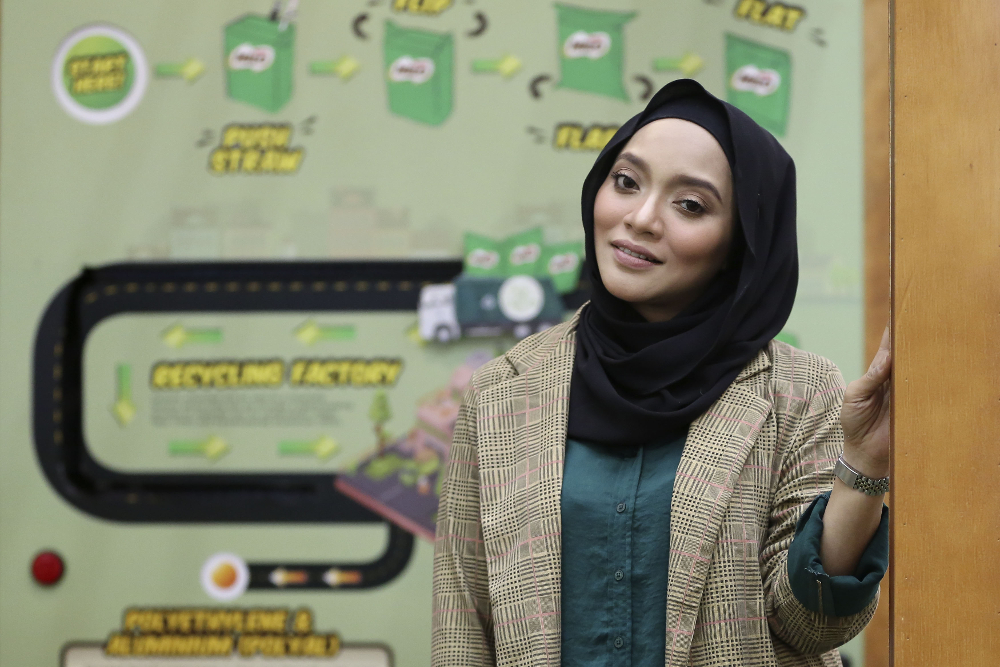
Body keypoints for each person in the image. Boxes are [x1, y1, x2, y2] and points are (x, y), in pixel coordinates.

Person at [432, 79, 890, 667]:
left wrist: (864, 472)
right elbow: (462, 628)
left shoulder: (798, 394)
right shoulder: (502, 393)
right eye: (626, 182)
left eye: (690, 205)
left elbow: (811, 626)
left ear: (739, 244)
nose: (641, 218)